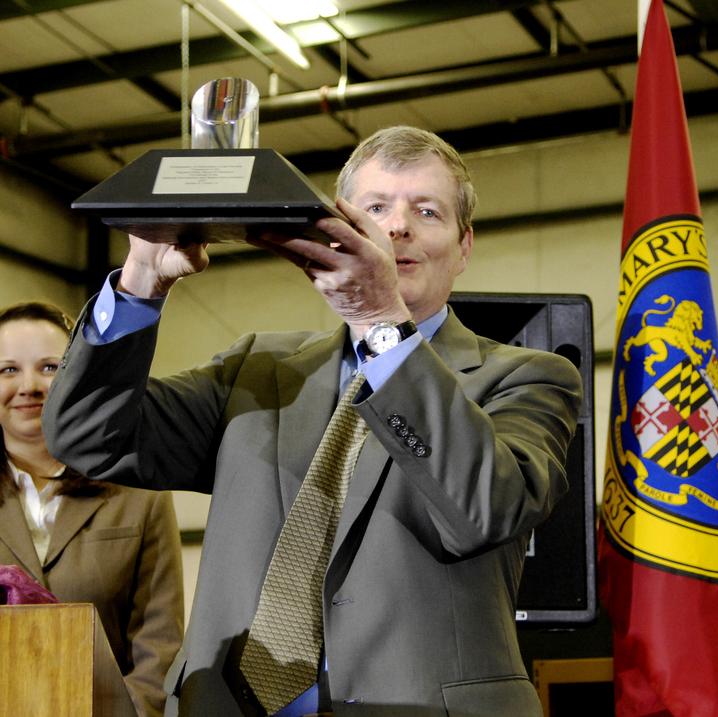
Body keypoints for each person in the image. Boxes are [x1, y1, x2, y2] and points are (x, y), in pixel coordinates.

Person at [46, 126, 583, 715]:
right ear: (340, 227)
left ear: (464, 247)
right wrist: (140, 283)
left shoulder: (530, 377)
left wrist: (382, 321)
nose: (398, 226)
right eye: (376, 208)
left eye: (426, 211)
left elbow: (485, 508)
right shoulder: (257, 368)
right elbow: (87, 437)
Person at [0, 300, 184, 717]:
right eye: (8, 369)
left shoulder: (140, 491)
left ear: (75, 373)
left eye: (48, 367)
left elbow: (158, 641)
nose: (28, 385)